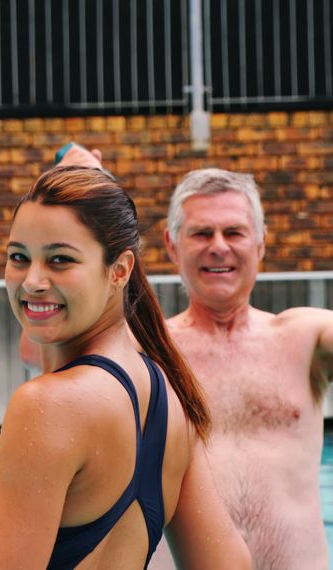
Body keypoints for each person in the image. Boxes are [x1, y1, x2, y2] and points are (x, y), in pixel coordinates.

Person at [0, 166, 251, 568]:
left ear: (120, 270)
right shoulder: (167, 393)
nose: (32, 281)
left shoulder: (49, 405)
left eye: (60, 259)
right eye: (18, 257)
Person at [158, 168, 332, 569]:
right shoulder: (148, 350)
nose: (218, 247)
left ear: (260, 243)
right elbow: (42, 345)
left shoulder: (304, 339)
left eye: (233, 233)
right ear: (172, 245)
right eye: (202, 234)